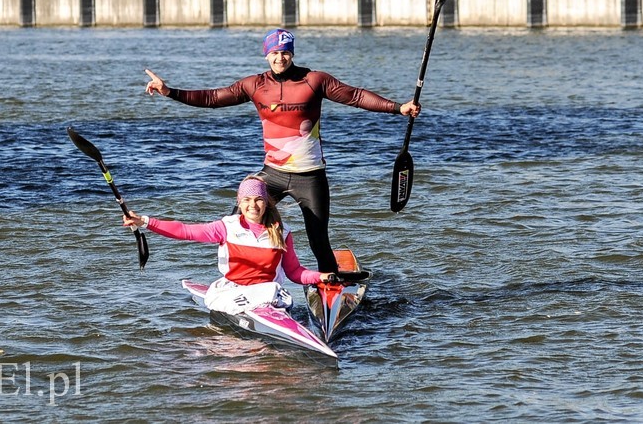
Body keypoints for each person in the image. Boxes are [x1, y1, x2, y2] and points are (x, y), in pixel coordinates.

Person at [143, 29, 420, 273]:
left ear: (292, 53)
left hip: (309, 176)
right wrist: (170, 91)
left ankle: (329, 284)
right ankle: (240, 277)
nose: (280, 58)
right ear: (266, 55)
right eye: (274, 53)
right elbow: (213, 98)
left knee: (318, 239)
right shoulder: (254, 85)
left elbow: (356, 96)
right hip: (272, 175)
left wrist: (398, 107)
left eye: (285, 52)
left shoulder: (315, 80)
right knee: (237, 221)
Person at [122, 176, 333, 315]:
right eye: (247, 200)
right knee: (269, 291)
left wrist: (321, 277)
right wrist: (146, 221)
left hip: (269, 294)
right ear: (239, 203)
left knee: (271, 290)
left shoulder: (282, 232)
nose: (253, 205)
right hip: (234, 292)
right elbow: (185, 231)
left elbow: (295, 272)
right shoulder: (226, 227)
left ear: (266, 203)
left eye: (259, 199)